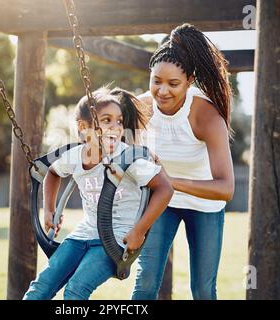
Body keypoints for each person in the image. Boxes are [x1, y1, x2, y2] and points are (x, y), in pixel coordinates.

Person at [23, 86, 173, 300]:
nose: (115, 127)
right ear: (84, 127)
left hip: (115, 240)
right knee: (40, 288)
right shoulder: (75, 156)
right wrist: (49, 209)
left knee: (75, 290)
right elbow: (53, 173)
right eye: (106, 120)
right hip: (83, 234)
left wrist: (139, 231)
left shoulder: (128, 158)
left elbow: (165, 189)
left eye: (119, 121)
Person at [132, 23, 235, 300]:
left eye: (173, 84)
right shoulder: (140, 108)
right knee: (145, 284)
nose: (162, 91)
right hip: (162, 202)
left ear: (189, 80)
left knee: (202, 290)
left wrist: (168, 181)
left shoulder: (206, 116)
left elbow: (226, 189)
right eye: (156, 81)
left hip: (204, 204)